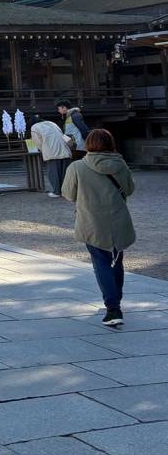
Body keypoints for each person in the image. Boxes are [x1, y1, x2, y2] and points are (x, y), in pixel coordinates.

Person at [62, 129, 135, 327]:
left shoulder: (77, 167)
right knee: (117, 261)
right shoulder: (120, 165)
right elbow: (129, 189)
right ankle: (115, 301)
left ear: (89, 144)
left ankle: (113, 308)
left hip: (92, 221)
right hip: (118, 221)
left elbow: (68, 194)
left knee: (101, 262)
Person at [30, 119, 72, 198]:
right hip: (65, 150)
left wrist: (43, 150)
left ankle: (57, 192)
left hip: (51, 153)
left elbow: (38, 142)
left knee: (54, 173)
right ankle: (66, 192)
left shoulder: (35, 127)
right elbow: (62, 135)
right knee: (65, 173)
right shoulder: (52, 123)